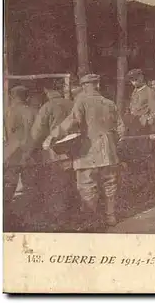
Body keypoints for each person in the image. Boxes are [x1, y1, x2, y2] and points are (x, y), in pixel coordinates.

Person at [43, 74, 126, 229]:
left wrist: (52, 136)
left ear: (83, 86)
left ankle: (91, 220)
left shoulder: (81, 101)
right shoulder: (109, 103)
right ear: (97, 85)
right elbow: (121, 128)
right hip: (109, 154)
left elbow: (72, 121)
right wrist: (113, 144)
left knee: (87, 186)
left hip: (87, 153)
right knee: (109, 184)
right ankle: (110, 216)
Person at [30, 81, 75, 228]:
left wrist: (32, 148)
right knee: (71, 183)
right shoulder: (72, 103)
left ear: (47, 91)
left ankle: (59, 220)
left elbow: (37, 133)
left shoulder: (47, 107)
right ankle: (73, 215)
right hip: (74, 150)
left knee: (56, 185)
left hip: (55, 151)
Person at [3, 85, 38, 230]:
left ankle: (7, 216)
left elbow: (8, 132)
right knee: (29, 186)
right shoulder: (34, 111)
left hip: (13, 151)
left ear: (12, 96)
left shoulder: (10, 111)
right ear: (26, 97)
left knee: (9, 185)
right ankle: (28, 217)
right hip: (30, 152)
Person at [127, 69, 155, 135]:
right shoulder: (134, 92)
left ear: (141, 77)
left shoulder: (149, 91)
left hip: (145, 126)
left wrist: (148, 120)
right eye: (132, 80)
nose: (134, 82)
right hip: (134, 125)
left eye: (135, 79)